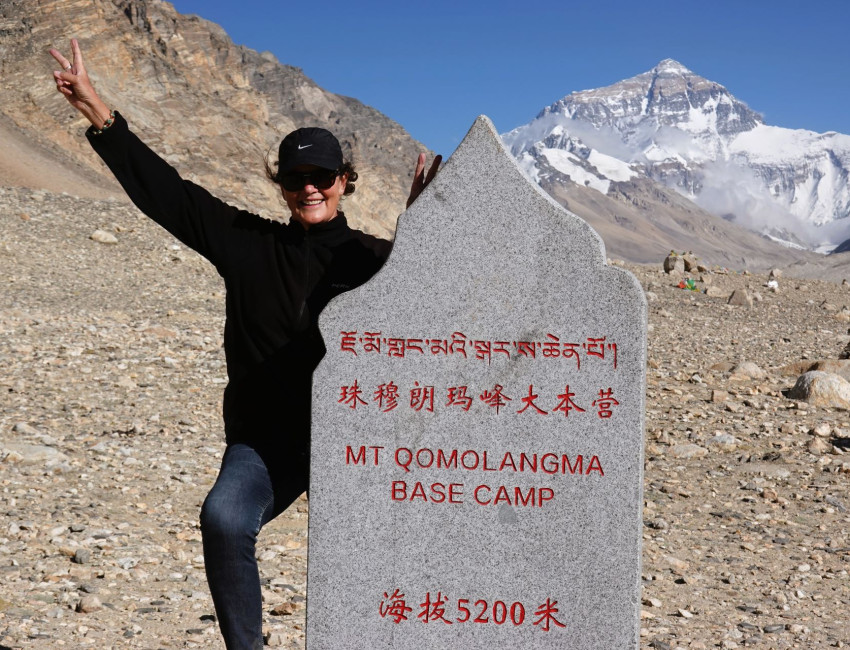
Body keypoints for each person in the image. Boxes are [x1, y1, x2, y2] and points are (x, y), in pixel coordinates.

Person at [49, 38, 440, 650]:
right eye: (294, 178)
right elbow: (170, 195)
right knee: (225, 519)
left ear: (345, 181)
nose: (309, 189)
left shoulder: (377, 260)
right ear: (280, 184)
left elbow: (440, 306)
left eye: (322, 177)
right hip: (268, 442)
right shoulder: (247, 245)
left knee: (400, 553)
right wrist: (101, 117)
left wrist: (424, 231)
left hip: (360, 443)